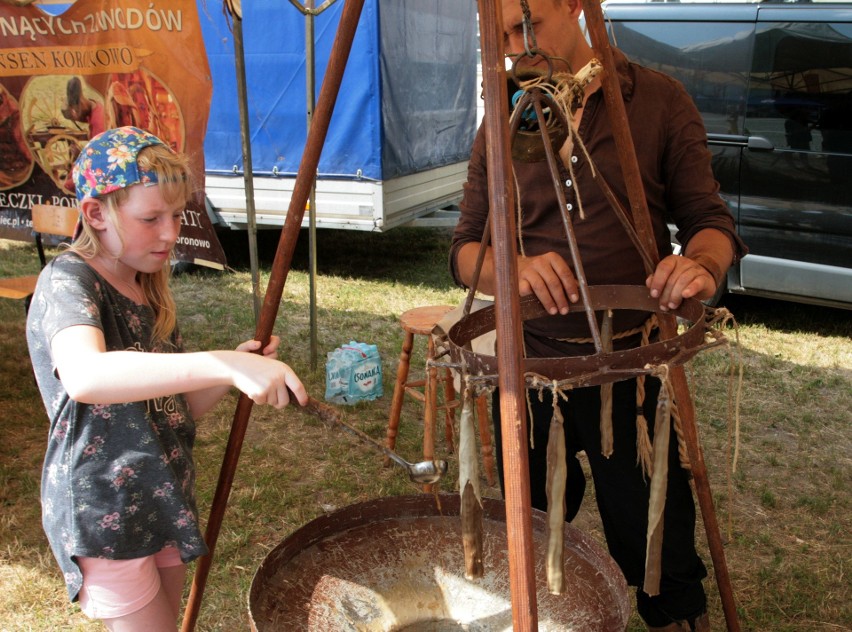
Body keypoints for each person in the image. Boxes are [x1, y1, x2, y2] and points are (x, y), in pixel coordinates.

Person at [450, 1, 747, 631]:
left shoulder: (659, 101)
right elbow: (464, 250)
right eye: (502, 35)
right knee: (524, 534)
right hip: (528, 370)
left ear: (575, 6)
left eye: (526, 25)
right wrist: (511, 269)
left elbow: (710, 222)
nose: (516, 47)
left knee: (655, 541)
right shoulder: (506, 116)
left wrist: (700, 265)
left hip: (630, 367)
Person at [26, 126, 308, 631]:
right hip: (107, 509)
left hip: (162, 493)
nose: (170, 233)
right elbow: (86, 376)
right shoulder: (69, 280)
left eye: (177, 216)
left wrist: (229, 373)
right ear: (95, 213)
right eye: (151, 218)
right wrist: (220, 362)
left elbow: (170, 409)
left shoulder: (146, 289)